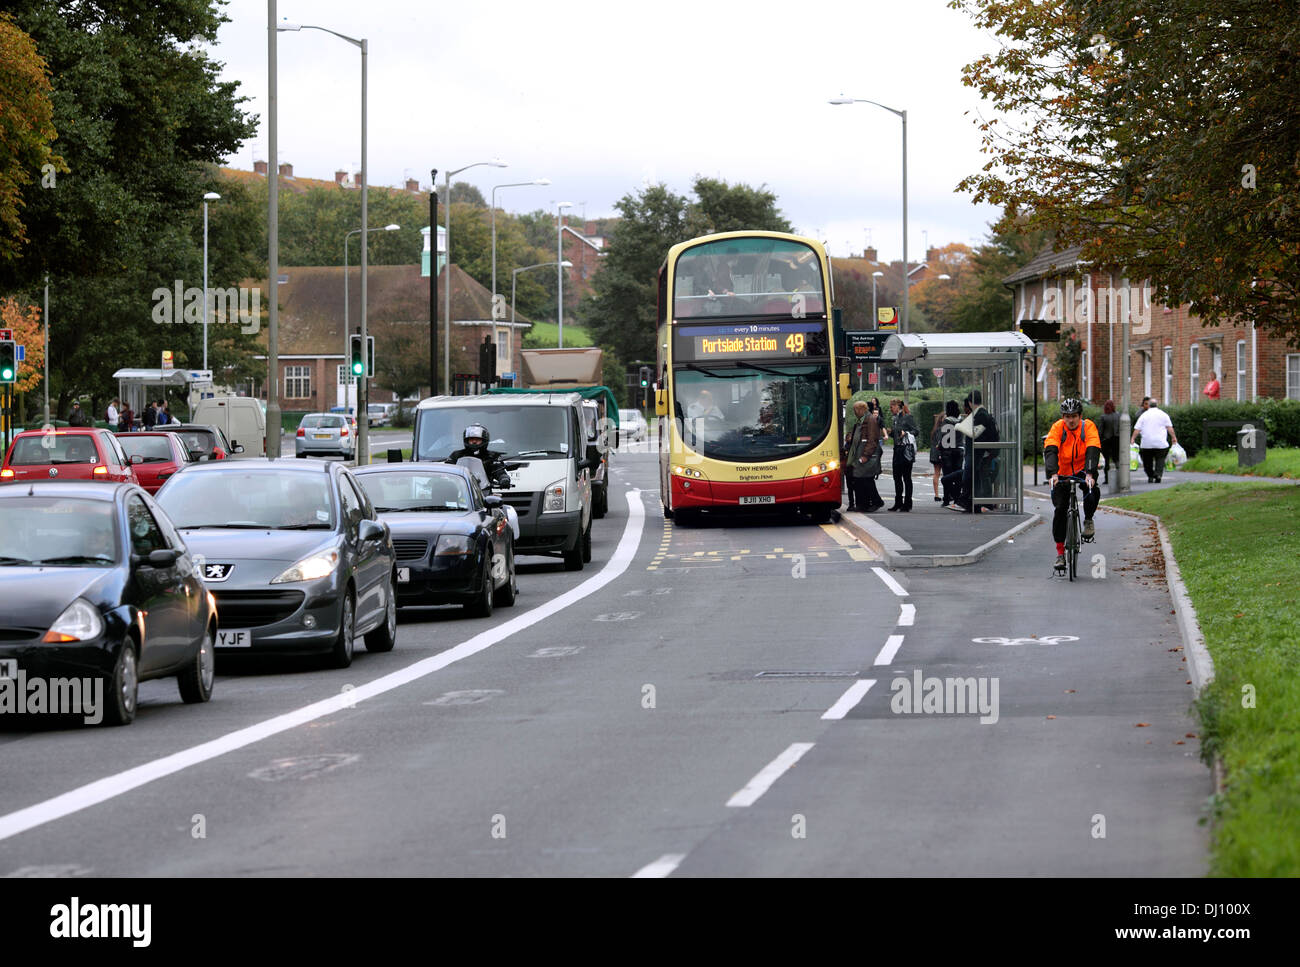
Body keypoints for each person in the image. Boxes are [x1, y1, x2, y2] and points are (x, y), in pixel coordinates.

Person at [1045, 398, 1101, 570]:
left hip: (1082, 468)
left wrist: (1090, 474)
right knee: (1060, 509)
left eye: (1074, 416)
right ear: (1063, 417)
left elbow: (1093, 447)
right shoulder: (1057, 428)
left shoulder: (1088, 426)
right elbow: (1051, 449)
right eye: (1067, 416)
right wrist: (1053, 474)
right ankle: (1060, 554)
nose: (1071, 420)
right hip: (1061, 471)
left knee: (1092, 490)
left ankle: (1089, 520)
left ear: (1080, 416)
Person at [846, 400, 884, 512]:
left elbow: (872, 440)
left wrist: (866, 455)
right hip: (859, 455)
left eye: (855, 410)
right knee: (860, 479)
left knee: (866, 480)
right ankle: (864, 504)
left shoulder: (870, 420)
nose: (854, 413)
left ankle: (876, 501)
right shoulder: (862, 420)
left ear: (861, 409)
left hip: (866, 456)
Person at [446, 423, 509, 490]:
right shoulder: (456, 455)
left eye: (477, 439)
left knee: (494, 500)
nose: (474, 441)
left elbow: (498, 470)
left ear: (484, 440)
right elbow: (447, 471)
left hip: (484, 491)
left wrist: (503, 478)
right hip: (461, 491)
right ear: (466, 440)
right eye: (471, 439)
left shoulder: (492, 456)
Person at [1132, 398, 1177, 483]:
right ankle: (1158, 474)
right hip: (1160, 443)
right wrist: (1173, 437)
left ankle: (1150, 475)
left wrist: (1133, 438)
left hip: (1146, 443)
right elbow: (1169, 428)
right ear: (1157, 405)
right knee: (1160, 459)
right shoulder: (1163, 414)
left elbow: (1137, 429)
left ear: (1149, 405)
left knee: (1147, 461)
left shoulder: (1144, 415)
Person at [886, 398, 918, 512]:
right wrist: (890, 433)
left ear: (898, 406)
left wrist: (906, 433)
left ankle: (907, 503)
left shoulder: (907, 417)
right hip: (897, 450)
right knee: (897, 477)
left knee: (906, 478)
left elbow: (916, 431)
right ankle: (898, 502)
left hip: (905, 450)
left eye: (892, 407)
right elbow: (896, 434)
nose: (890, 409)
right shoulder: (895, 418)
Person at [936, 400, 964, 506]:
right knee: (958, 476)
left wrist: (939, 446)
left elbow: (943, 438)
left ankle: (947, 499)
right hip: (959, 450)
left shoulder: (947, 421)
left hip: (948, 451)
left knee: (947, 476)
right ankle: (957, 498)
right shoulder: (961, 420)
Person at [1099, 399, 1120, 484]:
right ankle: (1120, 476)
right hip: (1116, 439)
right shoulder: (1118, 415)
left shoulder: (1103, 417)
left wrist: (1099, 440)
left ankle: (1107, 479)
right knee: (1116, 459)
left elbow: (1101, 430)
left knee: (1107, 460)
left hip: (1106, 440)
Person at [928, 410, 946, 502]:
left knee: (937, 473)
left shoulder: (935, 429)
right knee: (943, 473)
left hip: (934, 453)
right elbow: (940, 443)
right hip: (940, 453)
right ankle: (941, 494)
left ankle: (936, 494)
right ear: (941, 419)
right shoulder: (942, 429)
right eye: (945, 418)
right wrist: (940, 454)